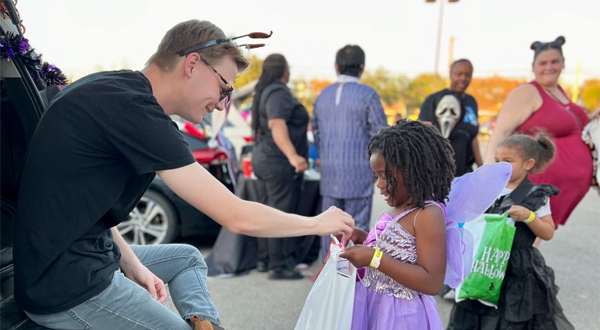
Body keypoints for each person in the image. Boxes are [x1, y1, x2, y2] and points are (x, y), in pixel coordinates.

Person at [13, 20, 354, 330]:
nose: (223, 104)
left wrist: (131, 263)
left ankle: (205, 325)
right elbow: (235, 215)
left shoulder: (117, 90)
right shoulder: (136, 112)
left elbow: (88, 207)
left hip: (76, 257)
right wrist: (317, 223)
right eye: (225, 87)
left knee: (188, 257)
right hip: (65, 284)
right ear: (192, 64)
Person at [447, 134, 574, 330]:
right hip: (483, 262)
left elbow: (548, 232)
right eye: (497, 161)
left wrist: (529, 217)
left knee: (509, 319)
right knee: (473, 313)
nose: (501, 167)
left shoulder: (536, 195)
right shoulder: (486, 189)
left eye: (508, 162)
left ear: (528, 164)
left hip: (516, 269)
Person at [340, 120, 456, 329]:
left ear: (414, 170)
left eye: (384, 175)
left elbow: (432, 282)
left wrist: (375, 258)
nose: (379, 185)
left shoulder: (427, 214)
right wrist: (363, 237)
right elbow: (401, 250)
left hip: (401, 316)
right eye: (376, 176)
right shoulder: (399, 206)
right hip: (373, 304)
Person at [484, 36, 597, 229]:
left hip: (553, 188)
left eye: (554, 61)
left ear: (563, 63)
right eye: (543, 63)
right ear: (533, 66)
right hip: (532, 183)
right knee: (518, 242)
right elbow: (500, 132)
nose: (549, 67)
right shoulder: (527, 92)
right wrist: (488, 174)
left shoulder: (559, 91)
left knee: (531, 242)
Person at [312, 45, 387, 258]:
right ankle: (352, 282)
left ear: (336, 67)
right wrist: (379, 171)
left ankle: (326, 279)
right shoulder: (368, 95)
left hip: (329, 175)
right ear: (362, 68)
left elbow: (317, 134)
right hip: (359, 173)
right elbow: (380, 137)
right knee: (356, 228)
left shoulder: (322, 95)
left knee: (328, 228)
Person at [250, 54, 311, 280]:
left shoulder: (265, 91)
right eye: (289, 68)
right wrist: (294, 156)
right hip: (277, 162)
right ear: (282, 70)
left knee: (268, 210)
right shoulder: (278, 92)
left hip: (265, 158)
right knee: (279, 213)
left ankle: (266, 260)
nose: (290, 72)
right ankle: (279, 265)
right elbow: (276, 123)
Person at [419, 59, 482, 176]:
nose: (463, 78)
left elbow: (473, 137)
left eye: (467, 75)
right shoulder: (434, 100)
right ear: (451, 74)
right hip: (437, 171)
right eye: (459, 74)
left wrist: (482, 169)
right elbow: (423, 132)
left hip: (464, 171)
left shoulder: (471, 101)